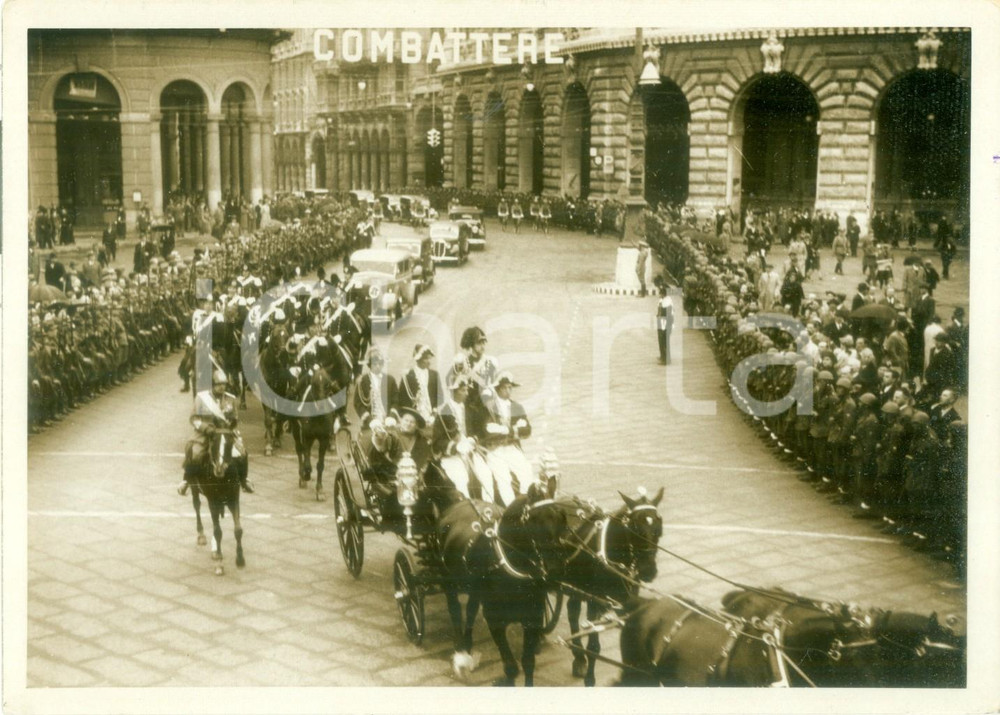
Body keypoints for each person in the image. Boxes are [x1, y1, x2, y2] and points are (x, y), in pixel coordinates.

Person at [179, 369, 253, 496]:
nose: (221, 387)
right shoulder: (202, 398)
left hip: (225, 432)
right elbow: (194, 419)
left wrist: (232, 427)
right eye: (218, 384)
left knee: (242, 453)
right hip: (206, 433)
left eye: (223, 384)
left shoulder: (231, 399)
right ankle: (186, 480)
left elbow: (234, 418)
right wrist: (205, 428)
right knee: (195, 453)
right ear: (212, 385)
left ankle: (244, 480)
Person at [432, 375, 494, 502]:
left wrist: (473, 440)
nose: (466, 393)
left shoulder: (471, 410)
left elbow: (481, 432)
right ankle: (467, 513)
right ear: (453, 391)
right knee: (461, 479)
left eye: (467, 390)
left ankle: (489, 508)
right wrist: (456, 447)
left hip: (471, 451)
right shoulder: (443, 412)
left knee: (486, 474)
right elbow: (437, 443)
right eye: (463, 390)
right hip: (452, 456)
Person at [478, 371, 533, 506]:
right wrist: (513, 429)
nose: (508, 390)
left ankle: (524, 502)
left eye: (510, 387)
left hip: (511, 448)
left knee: (526, 471)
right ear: (498, 389)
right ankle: (511, 507)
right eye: (504, 387)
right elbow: (488, 430)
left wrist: (507, 430)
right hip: (495, 449)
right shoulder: (489, 407)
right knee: (503, 478)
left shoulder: (516, 406)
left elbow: (527, 430)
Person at [397, 344, 441, 429]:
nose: (429, 361)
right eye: (426, 358)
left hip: (432, 415)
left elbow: (439, 397)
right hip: (414, 416)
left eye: (429, 358)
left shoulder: (434, 375)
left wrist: (434, 414)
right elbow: (402, 399)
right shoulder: (408, 376)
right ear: (418, 359)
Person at [353, 349, 398, 428]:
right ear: (369, 365)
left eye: (380, 364)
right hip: (370, 422)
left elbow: (396, 400)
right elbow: (358, 403)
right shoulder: (363, 381)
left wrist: (392, 416)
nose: (378, 367)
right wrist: (370, 419)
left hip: (389, 420)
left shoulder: (390, 380)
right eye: (375, 364)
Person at [656, 285, 674, 365]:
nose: (659, 294)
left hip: (665, 323)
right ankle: (662, 356)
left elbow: (667, 315)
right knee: (661, 340)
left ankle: (666, 359)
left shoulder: (667, 302)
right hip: (661, 322)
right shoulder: (662, 300)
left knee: (665, 341)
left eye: (660, 293)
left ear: (664, 294)